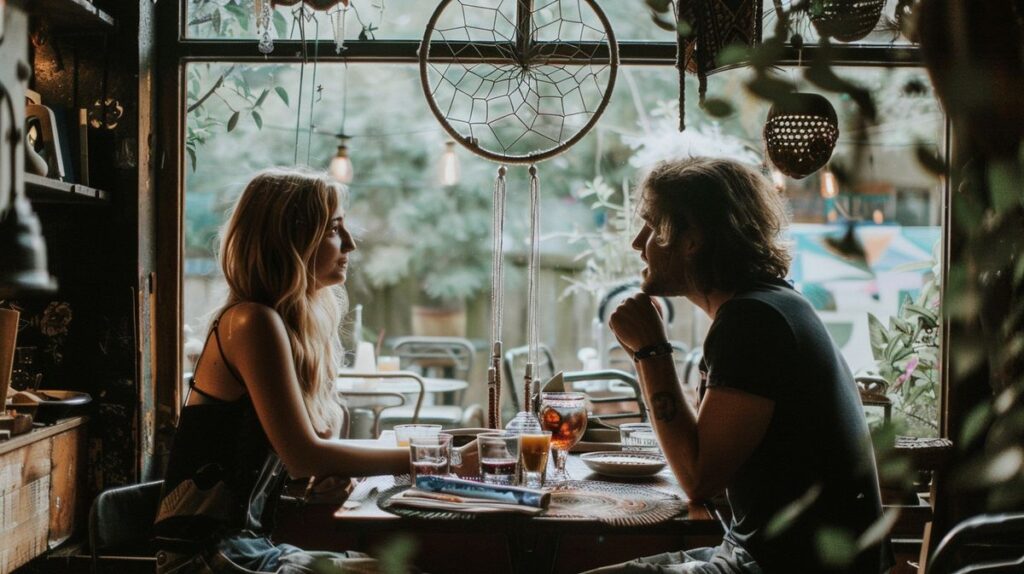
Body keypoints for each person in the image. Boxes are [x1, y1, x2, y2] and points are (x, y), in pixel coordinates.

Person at [597, 158, 892, 574]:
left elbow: (698, 479)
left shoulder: (752, 322)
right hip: (761, 555)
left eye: (651, 225)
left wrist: (651, 352)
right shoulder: (768, 305)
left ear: (692, 239)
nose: (637, 242)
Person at [154, 168, 438, 573]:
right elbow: (305, 454)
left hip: (247, 550)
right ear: (292, 239)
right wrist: (434, 459)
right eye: (335, 229)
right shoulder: (251, 321)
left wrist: (314, 480)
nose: (351, 245)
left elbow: (291, 461)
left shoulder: (278, 324)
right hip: (206, 560)